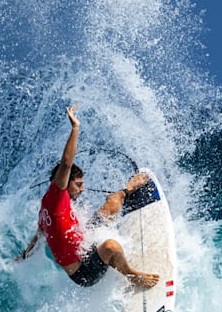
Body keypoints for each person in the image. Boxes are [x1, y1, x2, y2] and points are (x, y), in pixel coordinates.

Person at [14, 105, 160, 289]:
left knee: (113, 200)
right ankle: (132, 276)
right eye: (79, 185)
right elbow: (66, 163)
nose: (82, 190)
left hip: (87, 247)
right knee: (111, 247)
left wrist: (23, 256)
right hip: (83, 272)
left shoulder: (47, 207)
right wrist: (75, 128)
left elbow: (38, 236)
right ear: (64, 184)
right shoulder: (56, 196)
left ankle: (129, 191)